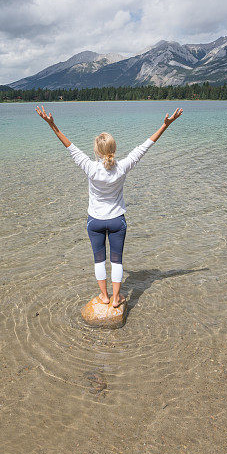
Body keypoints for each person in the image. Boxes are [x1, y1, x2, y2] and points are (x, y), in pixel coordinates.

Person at [36, 105, 183, 307]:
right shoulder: (122, 167)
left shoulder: (89, 167)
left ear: (96, 151)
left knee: (99, 260)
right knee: (116, 261)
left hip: (95, 221)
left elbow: (69, 146)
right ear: (114, 149)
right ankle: (116, 298)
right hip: (116, 221)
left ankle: (104, 296)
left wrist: (51, 124)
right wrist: (165, 125)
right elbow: (145, 146)